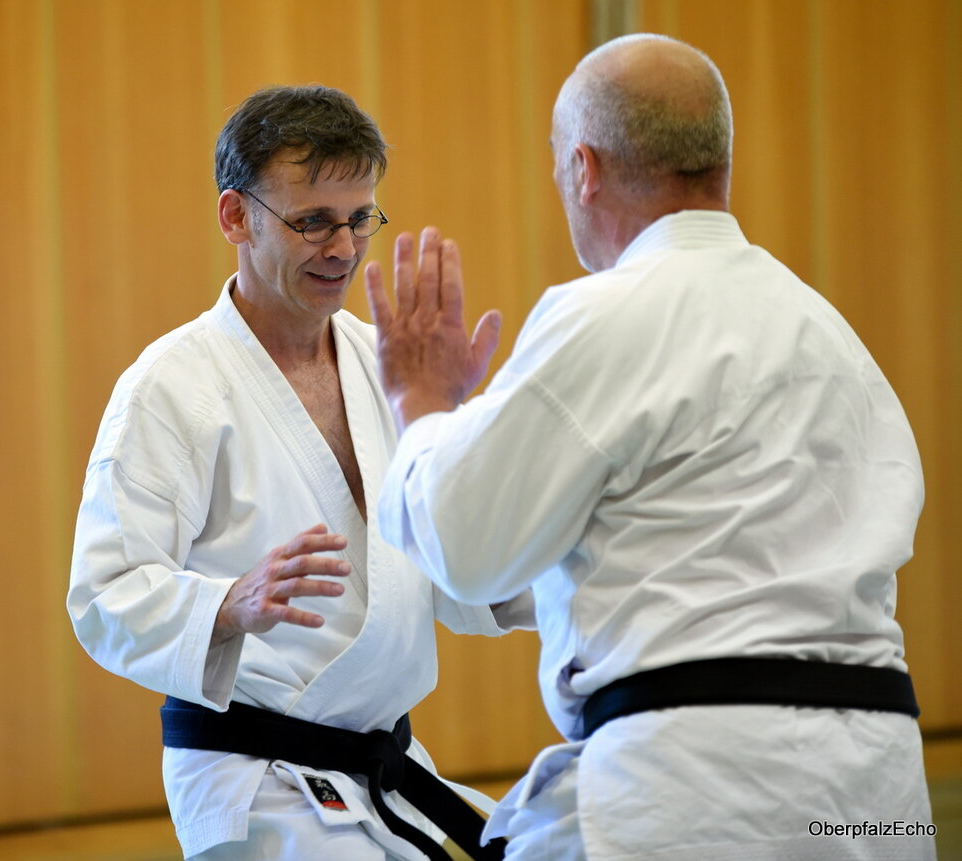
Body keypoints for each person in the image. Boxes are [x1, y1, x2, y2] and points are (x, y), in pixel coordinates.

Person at [365, 34, 934, 860]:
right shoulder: (830, 333)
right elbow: (697, 547)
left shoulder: (610, 311)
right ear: (720, 165)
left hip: (704, 788)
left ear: (584, 169)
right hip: (878, 793)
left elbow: (465, 543)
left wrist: (418, 401)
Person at [67, 85, 531, 861]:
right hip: (255, 775)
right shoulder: (171, 386)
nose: (344, 248)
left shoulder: (384, 362)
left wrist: (557, 562)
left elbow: (436, 570)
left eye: (358, 219)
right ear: (234, 217)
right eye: (313, 222)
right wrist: (224, 603)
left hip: (381, 767)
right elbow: (102, 595)